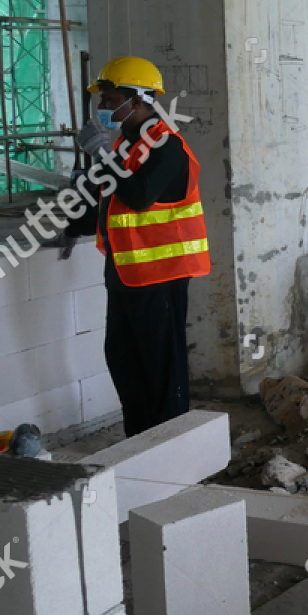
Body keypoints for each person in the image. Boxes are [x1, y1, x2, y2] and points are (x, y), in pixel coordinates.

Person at [56, 56, 210, 436]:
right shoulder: (128, 145)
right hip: (126, 273)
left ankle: (170, 444)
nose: (104, 108)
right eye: (102, 101)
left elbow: (139, 196)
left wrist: (100, 155)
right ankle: (139, 441)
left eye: (110, 100)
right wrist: (75, 223)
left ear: (138, 99)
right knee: (124, 359)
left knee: (160, 366)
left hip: (161, 275)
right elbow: (113, 200)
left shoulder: (166, 146)